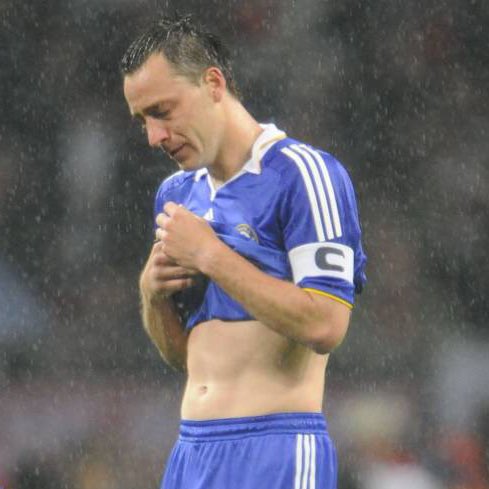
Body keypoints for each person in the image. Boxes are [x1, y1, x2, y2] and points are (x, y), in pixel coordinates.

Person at [121, 14, 366, 489]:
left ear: (213, 83)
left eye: (162, 111)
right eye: (142, 121)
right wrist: (151, 295)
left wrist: (210, 256)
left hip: (276, 449)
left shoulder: (303, 174)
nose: (154, 136)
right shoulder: (176, 194)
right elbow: (184, 357)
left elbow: (326, 324)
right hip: (191, 452)